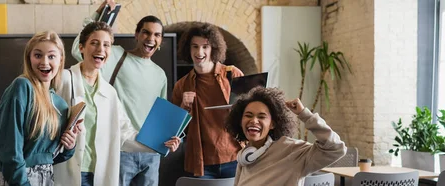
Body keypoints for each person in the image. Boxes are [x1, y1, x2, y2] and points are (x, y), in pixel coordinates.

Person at [55, 22, 175, 186]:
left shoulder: (109, 92)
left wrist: (161, 144)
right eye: (94, 43)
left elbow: (125, 134)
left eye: (106, 45)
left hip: (99, 174)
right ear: (81, 47)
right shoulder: (63, 80)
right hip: (68, 170)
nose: (100, 49)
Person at [0, 31, 82, 186]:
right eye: (38, 55)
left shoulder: (60, 104)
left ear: (61, 60)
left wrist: (69, 146)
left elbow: (50, 158)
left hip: (47, 179)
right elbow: (9, 150)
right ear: (29, 58)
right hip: (17, 180)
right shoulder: (22, 87)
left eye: (51, 56)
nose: (44, 62)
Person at [225, 87, 346, 185]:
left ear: (272, 124)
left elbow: (335, 149)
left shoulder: (291, 150)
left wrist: (305, 115)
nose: (254, 120)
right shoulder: (245, 157)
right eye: (248, 115)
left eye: (261, 116)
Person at [171, 23, 243, 178]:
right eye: (195, 47)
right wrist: (183, 107)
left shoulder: (232, 74)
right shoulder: (181, 85)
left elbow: (253, 112)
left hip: (236, 157)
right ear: (188, 49)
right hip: (202, 164)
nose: (199, 52)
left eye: (205, 47)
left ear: (214, 49)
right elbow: (174, 130)